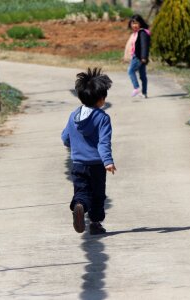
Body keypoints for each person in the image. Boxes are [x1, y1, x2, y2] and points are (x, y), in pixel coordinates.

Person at [61, 68, 117, 235]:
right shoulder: (103, 118)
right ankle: (95, 223)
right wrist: (108, 161)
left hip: (78, 163)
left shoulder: (73, 115)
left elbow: (65, 137)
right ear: (101, 99)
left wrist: (74, 145)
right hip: (96, 165)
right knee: (98, 194)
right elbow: (103, 143)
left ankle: (80, 206)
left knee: (82, 190)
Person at [126, 14, 151, 98]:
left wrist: (144, 57)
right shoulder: (137, 33)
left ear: (140, 23)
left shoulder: (142, 33)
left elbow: (144, 46)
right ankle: (144, 93)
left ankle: (136, 88)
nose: (134, 25)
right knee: (142, 75)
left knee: (130, 71)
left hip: (139, 57)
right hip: (140, 57)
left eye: (136, 23)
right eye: (133, 23)